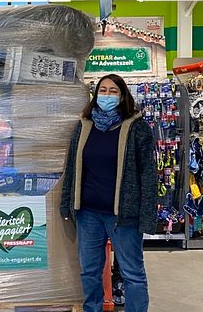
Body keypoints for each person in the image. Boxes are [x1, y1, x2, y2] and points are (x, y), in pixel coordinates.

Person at [60, 73, 158, 312]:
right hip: (88, 213)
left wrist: (147, 216)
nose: (107, 95)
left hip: (123, 216)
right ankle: (92, 308)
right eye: (102, 90)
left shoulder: (137, 128)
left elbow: (148, 174)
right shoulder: (84, 126)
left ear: (123, 96)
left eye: (113, 91)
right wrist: (66, 203)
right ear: (95, 95)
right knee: (90, 271)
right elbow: (72, 167)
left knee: (132, 273)